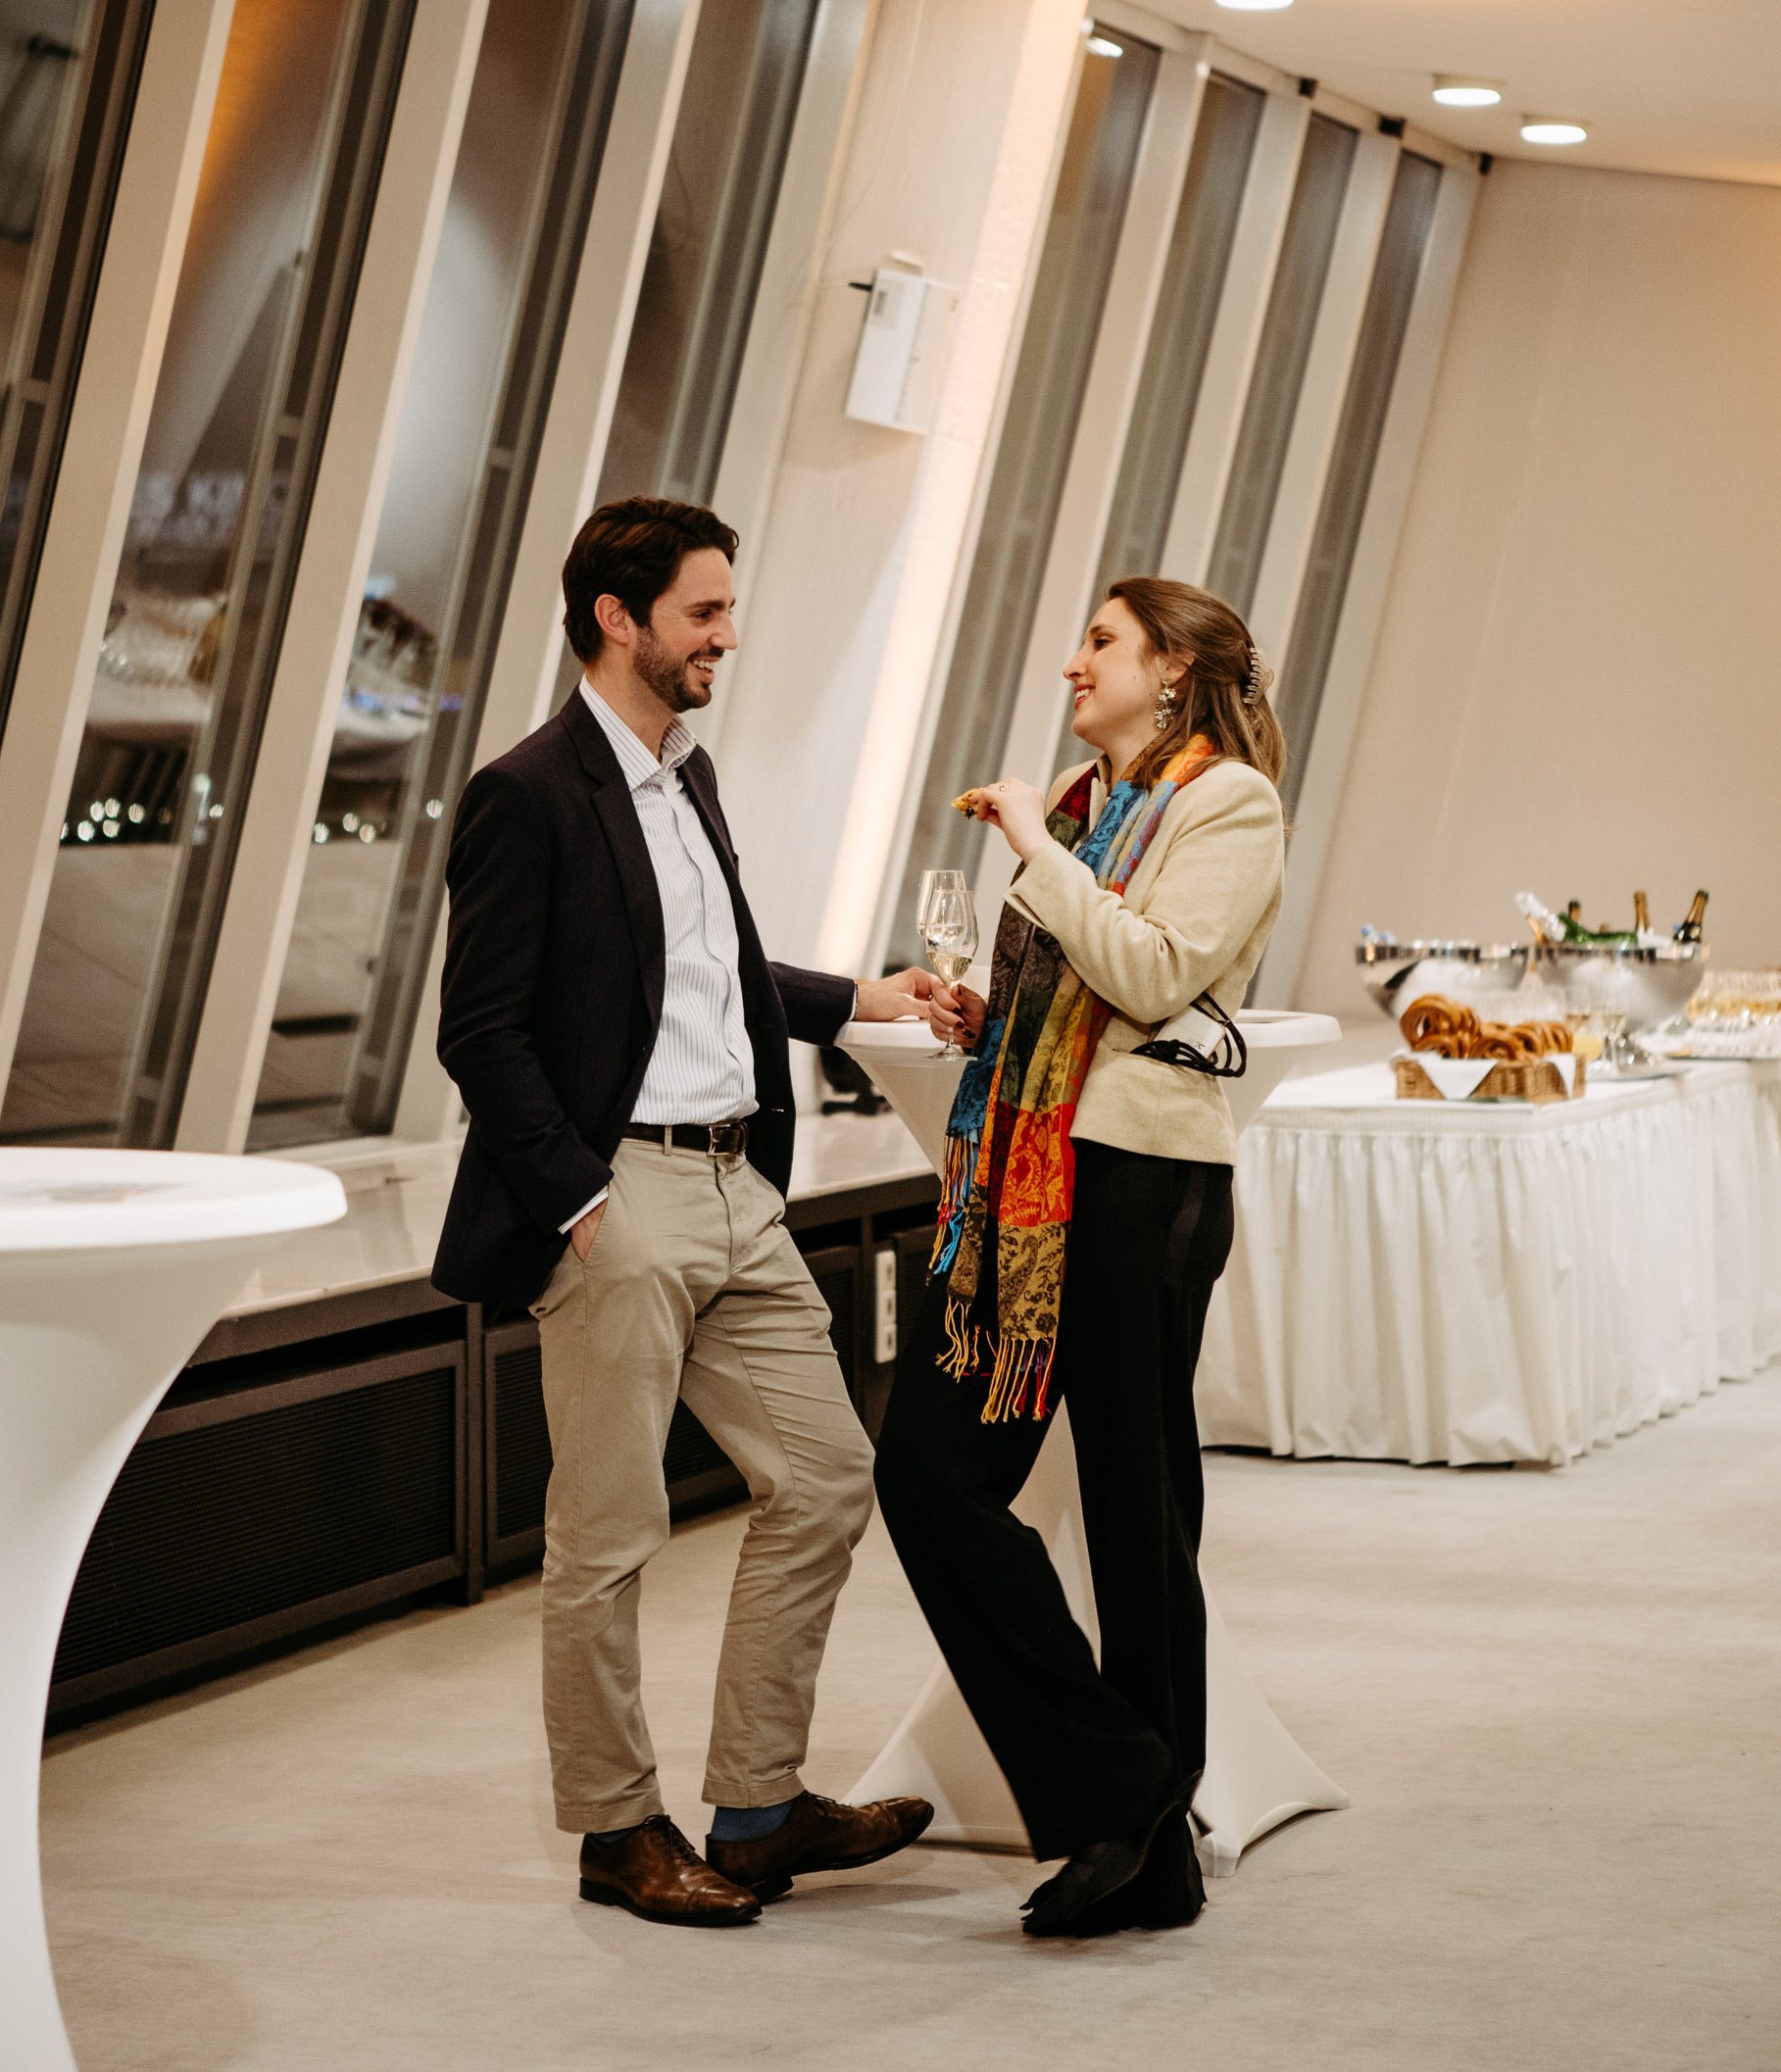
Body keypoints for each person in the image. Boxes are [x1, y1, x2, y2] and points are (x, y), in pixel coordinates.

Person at [432, 495, 935, 1928]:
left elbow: (701, 970)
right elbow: (479, 1030)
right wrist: (580, 1197)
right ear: (618, 618)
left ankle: (759, 1810)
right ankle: (615, 1829)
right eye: (703, 611)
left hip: (737, 1183)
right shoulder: (529, 793)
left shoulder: (685, 774)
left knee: (828, 1477)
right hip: (622, 1193)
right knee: (606, 1533)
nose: (726, 634)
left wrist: (858, 999)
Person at [873, 576, 1287, 1940]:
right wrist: (984, 1011)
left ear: (1169, 669)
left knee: (1134, 1506)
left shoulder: (1228, 803)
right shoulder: (1077, 801)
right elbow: (1069, 990)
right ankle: (1124, 1784)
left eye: (1100, 641)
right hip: (1027, 1181)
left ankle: (1146, 1852)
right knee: (928, 1473)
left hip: (1142, 1182)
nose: (1071, 662)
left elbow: (1155, 973)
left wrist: (1031, 850)